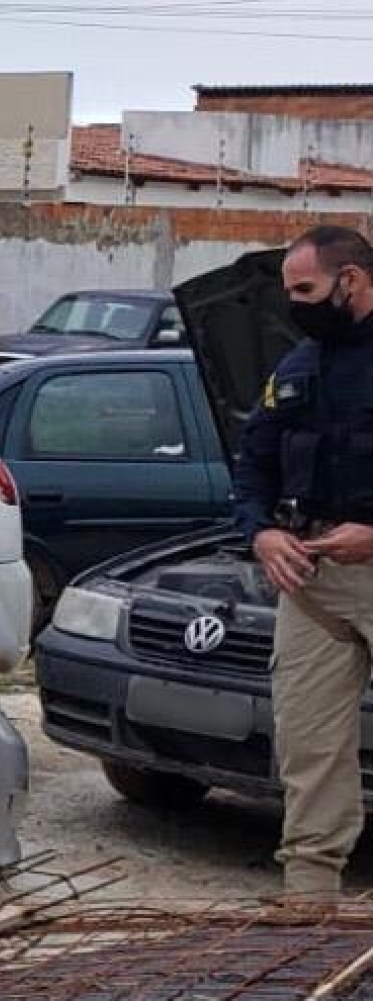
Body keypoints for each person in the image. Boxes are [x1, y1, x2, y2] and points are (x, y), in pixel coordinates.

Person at [234, 225, 373, 904]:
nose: (295, 304)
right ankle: (309, 894)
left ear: (351, 279)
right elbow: (252, 463)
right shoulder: (296, 366)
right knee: (308, 738)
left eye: (305, 290)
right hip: (312, 578)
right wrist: (261, 533)